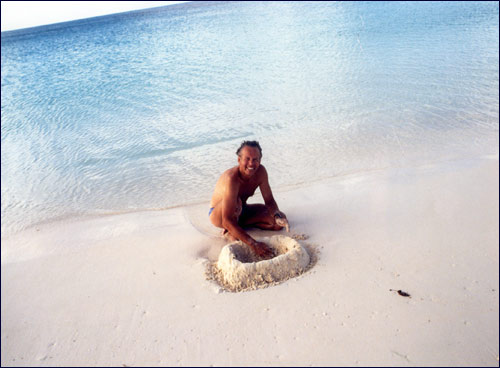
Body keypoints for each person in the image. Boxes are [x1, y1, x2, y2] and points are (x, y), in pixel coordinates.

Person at [209, 141, 289, 259]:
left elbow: (269, 201)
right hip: (219, 215)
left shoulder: (261, 172)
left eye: (255, 159)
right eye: (247, 158)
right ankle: (231, 229)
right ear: (239, 160)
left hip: (241, 210)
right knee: (236, 202)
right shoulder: (232, 179)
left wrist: (277, 215)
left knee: (278, 223)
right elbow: (226, 219)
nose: (251, 163)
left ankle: (235, 229)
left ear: (260, 161)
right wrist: (254, 244)